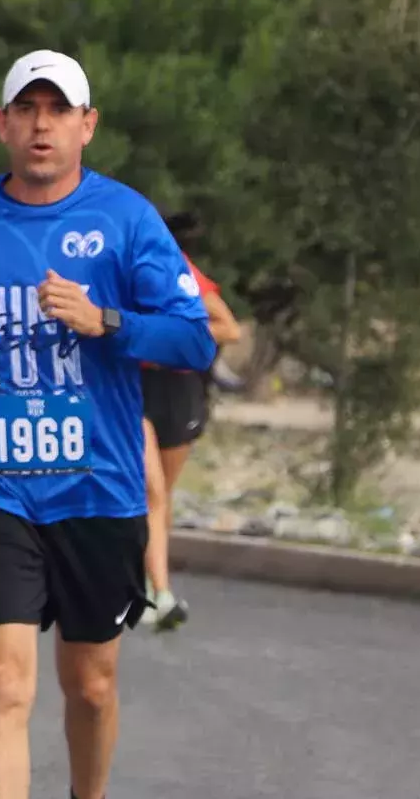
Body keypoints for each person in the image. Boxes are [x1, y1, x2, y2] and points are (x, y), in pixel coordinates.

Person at [0, 50, 216, 799]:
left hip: (99, 490)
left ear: (88, 125)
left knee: (90, 684)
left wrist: (104, 319)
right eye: (27, 109)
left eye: (58, 110)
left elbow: (194, 338)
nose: (41, 124)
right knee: (4, 683)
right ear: (3, 124)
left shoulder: (125, 218)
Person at [141, 216, 242, 631]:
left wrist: (178, 326)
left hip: (180, 389)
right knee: (149, 489)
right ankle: (160, 595)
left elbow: (229, 328)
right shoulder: (112, 268)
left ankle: (149, 582)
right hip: (134, 386)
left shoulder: (182, 272)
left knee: (162, 496)